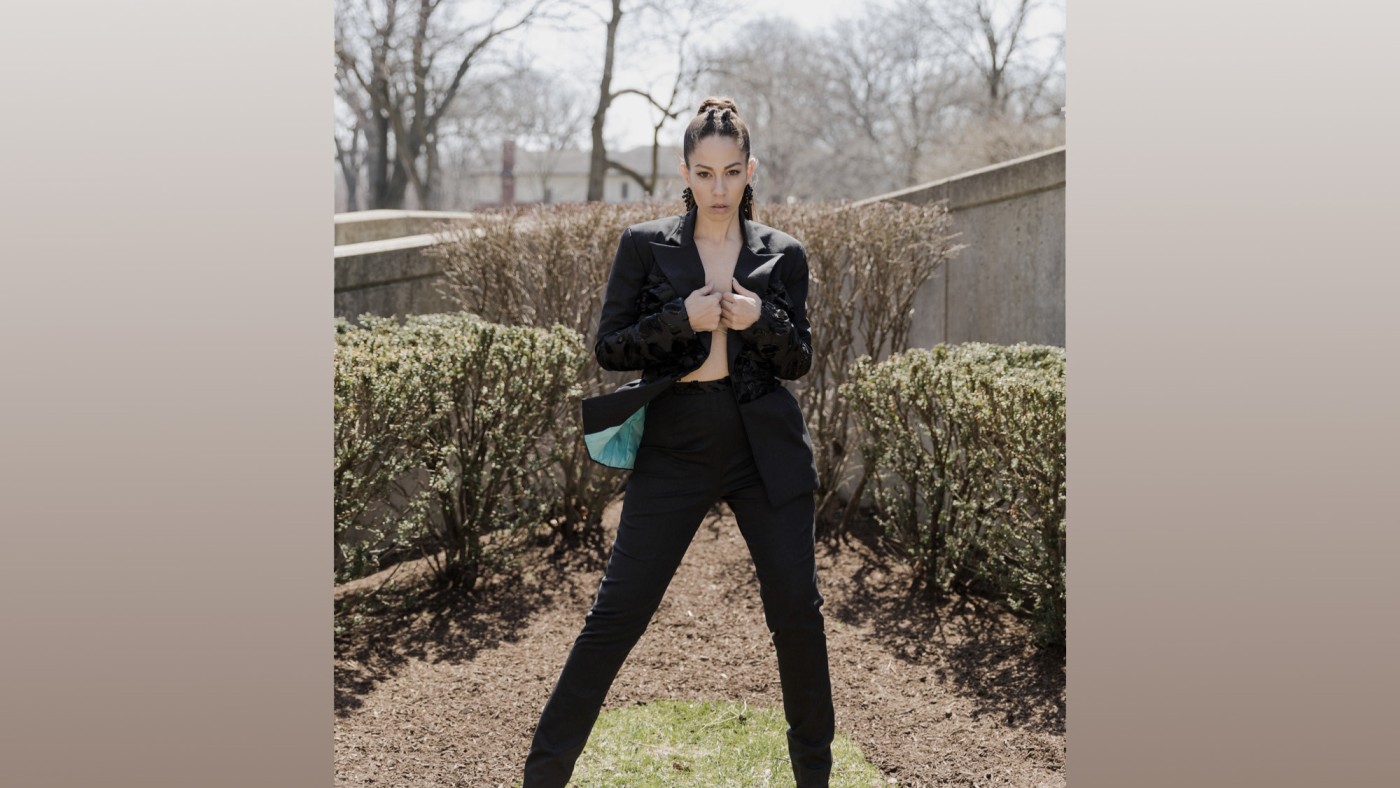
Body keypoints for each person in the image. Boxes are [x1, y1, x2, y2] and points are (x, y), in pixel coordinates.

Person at [523, 96, 835, 788]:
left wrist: (759, 320)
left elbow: (800, 359)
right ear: (685, 173)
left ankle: (815, 776)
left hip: (766, 451)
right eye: (704, 173)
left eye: (731, 173)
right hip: (675, 445)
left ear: (750, 171)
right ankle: (542, 777)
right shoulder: (644, 244)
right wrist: (681, 317)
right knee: (617, 615)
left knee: (798, 617)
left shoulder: (783, 255)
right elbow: (610, 346)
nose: (718, 189)